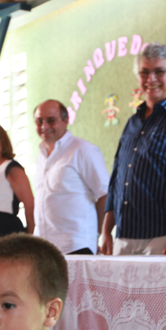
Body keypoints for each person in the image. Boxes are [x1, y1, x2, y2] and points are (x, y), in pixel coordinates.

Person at [101, 42, 166, 256]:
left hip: (163, 238)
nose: (151, 79)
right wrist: (105, 231)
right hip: (123, 237)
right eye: (144, 72)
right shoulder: (132, 122)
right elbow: (117, 179)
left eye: (159, 71)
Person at [33, 99, 110, 255]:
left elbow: (106, 195)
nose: (44, 127)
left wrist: (95, 234)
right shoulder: (41, 156)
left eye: (51, 120)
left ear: (66, 120)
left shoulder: (83, 150)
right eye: (39, 121)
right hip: (44, 249)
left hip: (76, 246)